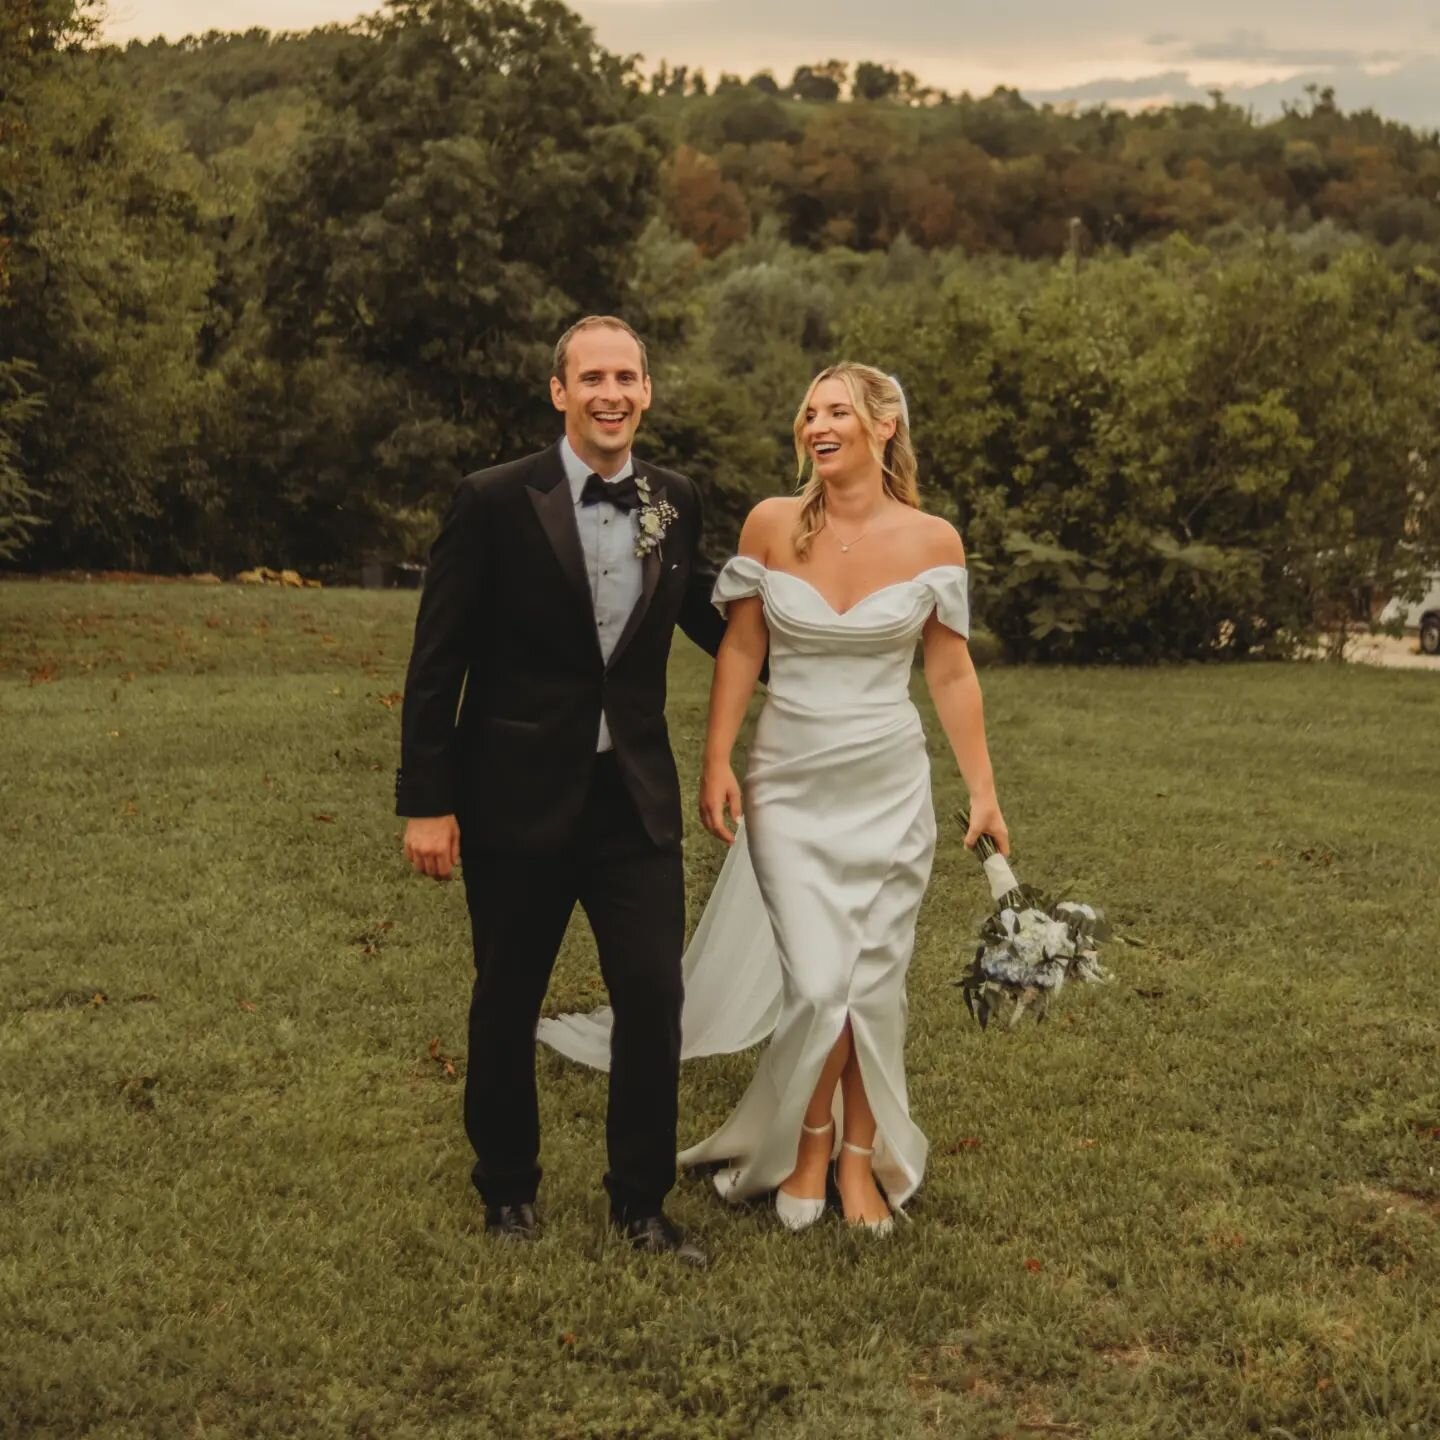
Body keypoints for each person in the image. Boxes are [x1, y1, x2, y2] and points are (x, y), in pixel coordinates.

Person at [540, 362, 1008, 1234]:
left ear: (884, 428)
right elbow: (741, 651)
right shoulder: (771, 524)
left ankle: (854, 1164)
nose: (816, 426)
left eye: (836, 412)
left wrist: (982, 792)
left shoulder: (933, 541)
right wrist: (719, 760)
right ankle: (807, 1143)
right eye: (808, 414)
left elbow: (948, 668)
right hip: (788, 782)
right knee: (819, 982)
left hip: (889, 786)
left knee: (875, 986)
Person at [396, 315, 725, 1267]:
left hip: (634, 802)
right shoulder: (493, 499)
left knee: (654, 998)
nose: (610, 393)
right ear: (559, 392)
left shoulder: (676, 498)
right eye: (592, 378)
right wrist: (427, 798)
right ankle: (506, 1189)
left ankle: (641, 1206)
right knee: (506, 997)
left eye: (627, 376)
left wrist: (821, 645)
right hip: (512, 798)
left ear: (648, 391)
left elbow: (707, 612)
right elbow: (436, 660)